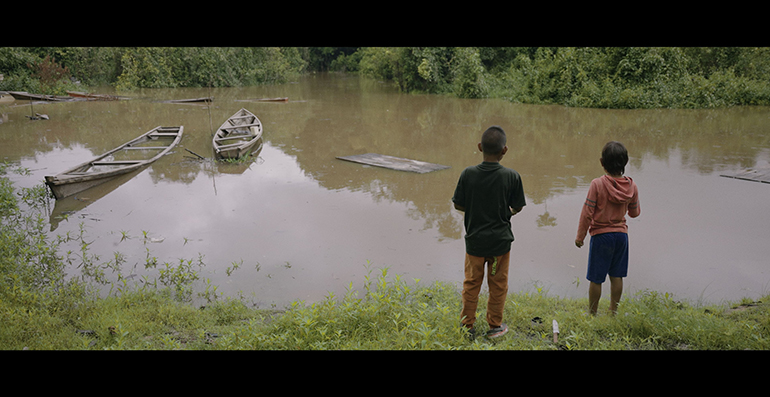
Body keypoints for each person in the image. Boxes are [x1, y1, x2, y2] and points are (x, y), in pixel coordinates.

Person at [452, 126, 526, 340]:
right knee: (498, 286)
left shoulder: (468, 174)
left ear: (479, 147)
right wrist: (506, 212)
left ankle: (467, 326)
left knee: (471, 284)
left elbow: (458, 205)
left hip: (475, 243)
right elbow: (518, 206)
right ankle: (495, 325)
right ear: (505, 150)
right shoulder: (511, 176)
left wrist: (476, 209)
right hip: (499, 244)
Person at [575, 141, 640, 315]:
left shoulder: (597, 184)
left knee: (596, 278)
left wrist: (580, 237)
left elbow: (587, 213)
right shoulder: (632, 186)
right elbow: (635, 213)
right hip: (621, 236)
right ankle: (613, 312)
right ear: (625, 162)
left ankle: (592, 313)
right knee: (617, 275)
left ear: (602, 162)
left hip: (601, 236)